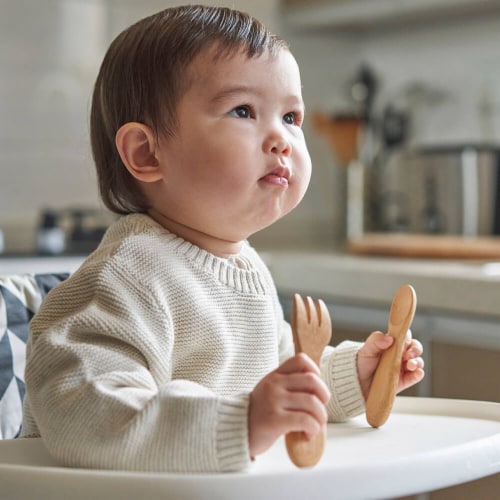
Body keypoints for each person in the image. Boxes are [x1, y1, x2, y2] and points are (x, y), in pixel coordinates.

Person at [21, 5, 424, 473]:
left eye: (291, 117)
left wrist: (353, 376)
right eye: (243, 111)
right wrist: (243, 421)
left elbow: (274, 381)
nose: (282, 139)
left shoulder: (245, 267)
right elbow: (87, 415)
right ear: (147, 153)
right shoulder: (126, 276)